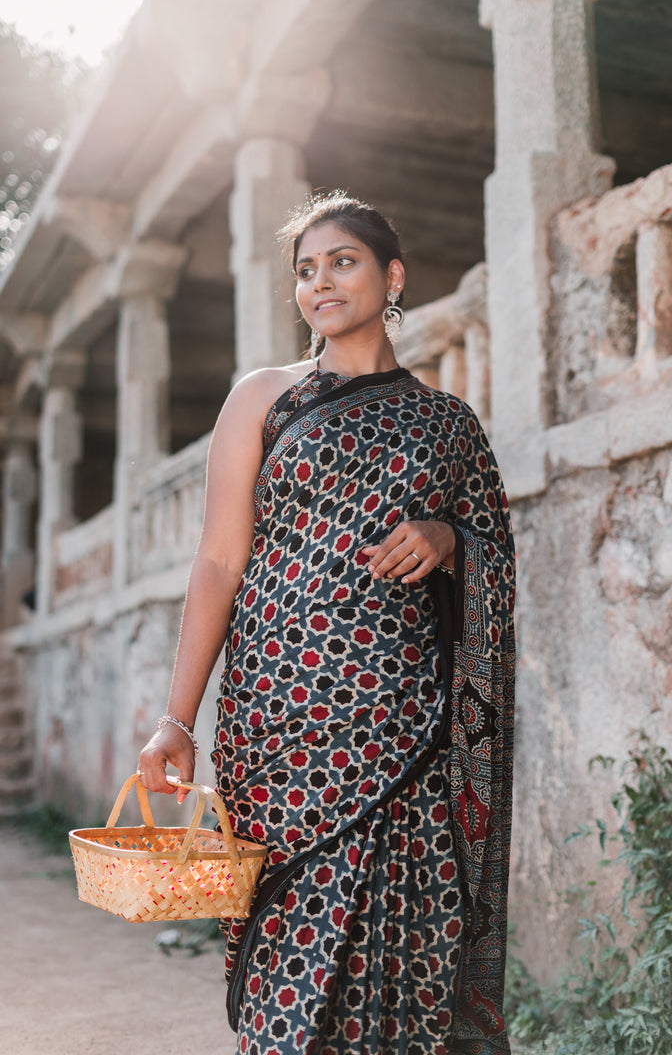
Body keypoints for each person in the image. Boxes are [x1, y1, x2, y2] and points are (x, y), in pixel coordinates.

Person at [138, 192, 515, 1055]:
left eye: (340, 261)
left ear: (392, 276)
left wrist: (449, 537)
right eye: (305, 271)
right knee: (286, 950)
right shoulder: (264, 398)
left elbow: (494, 552)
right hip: (279, 723)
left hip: (404, 723)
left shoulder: (446, 424)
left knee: (400, 946)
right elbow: (219, 563)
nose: (319, 283)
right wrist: (175, 717)